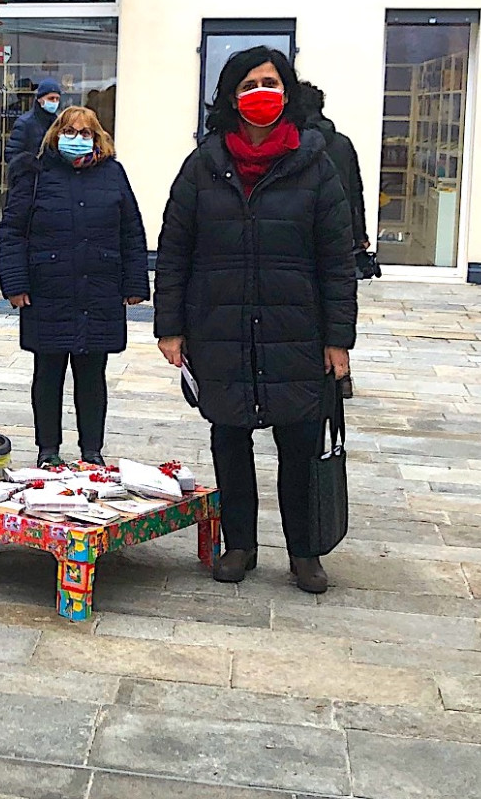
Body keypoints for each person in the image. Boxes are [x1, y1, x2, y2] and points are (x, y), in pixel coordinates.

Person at [154, 45, 357, 595]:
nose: (259, 93)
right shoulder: (203, 165)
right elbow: (174, 249)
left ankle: (304, 551)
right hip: (220, 325)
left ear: (287, 93)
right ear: (230, 96)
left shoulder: (316, 165)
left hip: (297, 329)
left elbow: (338, 260)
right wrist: (170, 325)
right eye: (248, 84)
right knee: (230, 437)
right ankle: (238, 544)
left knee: (299, 444)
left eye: (270, 82)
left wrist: (339, 339)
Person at [0, 107, 149, 467]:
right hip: (47, 289)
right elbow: (12, 230)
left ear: (97, 138)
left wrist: (135, 282)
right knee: (48, 373)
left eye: (85, 132)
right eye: (69, 130)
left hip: (100, 289)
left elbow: (131, 230)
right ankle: (47, 449)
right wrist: (14, 283)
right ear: (55, 134)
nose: (76, 138)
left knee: (92, 375)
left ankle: (91, 450)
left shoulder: (113, 174)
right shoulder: (35, 175)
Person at [289, 78, 374, 396]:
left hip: (300, 238)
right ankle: (342, 374)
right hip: (339, 237)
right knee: (336, 302)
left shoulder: (293, 142)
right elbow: (356, 192)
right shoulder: (342, 144)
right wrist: (361, 235)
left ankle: (305, 369)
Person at [5, 78, 62, 166]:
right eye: (51, 98)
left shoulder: (58, 123)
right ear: (40, 99)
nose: (55, 102)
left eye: (57, 98)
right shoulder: (24, 123)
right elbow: (12, 154)